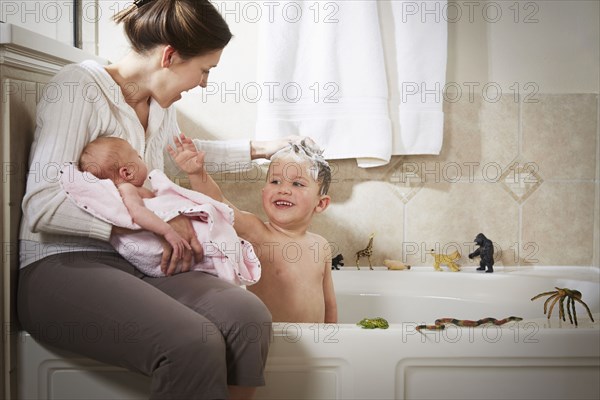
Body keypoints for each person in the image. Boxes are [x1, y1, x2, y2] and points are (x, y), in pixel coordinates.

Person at [17, 1, 298, 398]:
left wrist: (261, 147)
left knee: (246, 317)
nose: (203, 83)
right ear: (169, 56)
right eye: (204, 70)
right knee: (192, 343)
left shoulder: (158, 107)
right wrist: (151, 221)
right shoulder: (78, 87)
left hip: (137, 262)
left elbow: (185, 151)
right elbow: (42, 203)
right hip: (61, 265)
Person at [169, 134, 338, 324]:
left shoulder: (321, 245)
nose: (283, 189)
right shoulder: (258, 233)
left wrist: (333, 337)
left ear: (321, 204)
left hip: (317, 345)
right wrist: (196, 173)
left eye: (297, 183)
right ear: (263, 192)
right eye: (275, 181)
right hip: (275, 344)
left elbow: (329, 303)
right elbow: (219, 203)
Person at [71, 136, 260, 284]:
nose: (141, 158)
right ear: (127, 172)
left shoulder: (144, 189)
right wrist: (168, 230)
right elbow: (137, 214)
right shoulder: (127, 189)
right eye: (138, 157)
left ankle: (224, 260)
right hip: (172, 242)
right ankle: (224, 261)